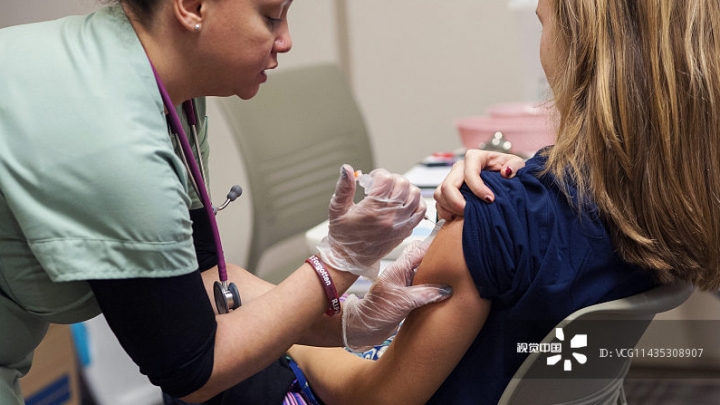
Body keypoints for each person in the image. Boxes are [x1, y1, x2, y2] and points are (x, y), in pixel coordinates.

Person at [0, 1, 460, 404]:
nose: (286, 41)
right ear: (192, 6)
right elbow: (190, 369)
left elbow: (202, 279)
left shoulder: (168, 93)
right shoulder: (112, 135)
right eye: (271, 16)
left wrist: (348, 322)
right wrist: (339, 264)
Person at [287, 0, 720, 403]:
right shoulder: (673, 205)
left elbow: (377, 397)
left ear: (580, 45)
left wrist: (289, 339)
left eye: (543, 24)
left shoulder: (493, 223)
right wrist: (528, 176)